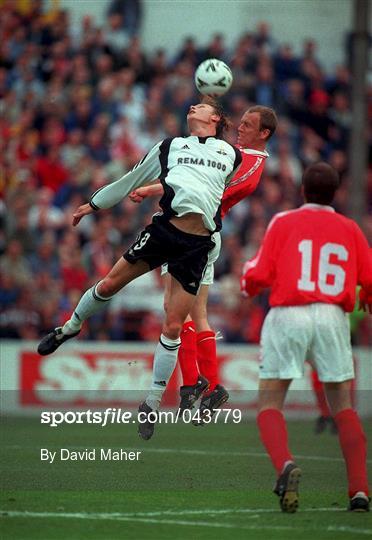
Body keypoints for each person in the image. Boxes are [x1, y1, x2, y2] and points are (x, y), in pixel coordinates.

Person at [37, 98, 242, 441]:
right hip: (165, 231)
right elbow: (133, 177)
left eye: (200, 106)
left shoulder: (230, 155)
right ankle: (70, 327)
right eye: (191, 105)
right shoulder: (169, 147)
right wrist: (94, 203)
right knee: (108, 286)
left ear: (216, 117)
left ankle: (151, 402)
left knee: (174, 325)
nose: (192, 107)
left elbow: (210, 188)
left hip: (197, 245)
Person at [130, 106, 278, 420]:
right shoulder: (235, 152)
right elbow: (194, 177)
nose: (240, 128)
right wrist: (153, 188)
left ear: (264, 133)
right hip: (198, 234)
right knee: (194, 314)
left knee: (175, 309)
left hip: (195, 233)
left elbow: (204, 188)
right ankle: (206, 387)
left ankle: (197, 384)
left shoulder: (251, 164)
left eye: (248, 125)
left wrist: (157, 190)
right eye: (241, 122)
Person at [240, 162, 372, 513]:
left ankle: (284, 464)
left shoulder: (284, 221)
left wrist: (246, 282)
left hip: (289, 312)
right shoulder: (350, 227)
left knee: (269, 403)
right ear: (336, 193)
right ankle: (359, 491)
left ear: (302, 191)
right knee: (343, 406)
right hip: (332, 315)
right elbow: (369, 279)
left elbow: (261, 271)